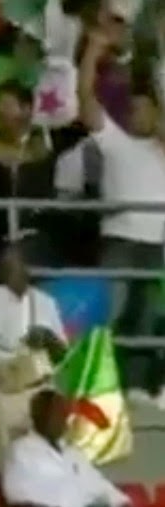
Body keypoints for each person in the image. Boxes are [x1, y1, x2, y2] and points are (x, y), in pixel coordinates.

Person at [78, 28, 165, 398]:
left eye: (143, 108)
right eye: (132, 109)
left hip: (158, 247)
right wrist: (92, 52)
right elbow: (85, 98)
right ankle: (92, 385)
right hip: (121, 244)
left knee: (146, 321)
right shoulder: (115, 142)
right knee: (108, 318)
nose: (135, 114)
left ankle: (135, 389)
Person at [5, 390, 137, 507]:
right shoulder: (22, 449)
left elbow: (98, 484)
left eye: (64, 415)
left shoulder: (72, 454)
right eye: (58, 414)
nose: (64, 421)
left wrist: (120, 502)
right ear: (40, 416)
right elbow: (16, 490)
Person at [0, 79, 89, 267]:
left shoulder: (46, 140)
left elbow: (84, 126)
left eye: (6, 105)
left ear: (27, 109)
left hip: (37, 234)